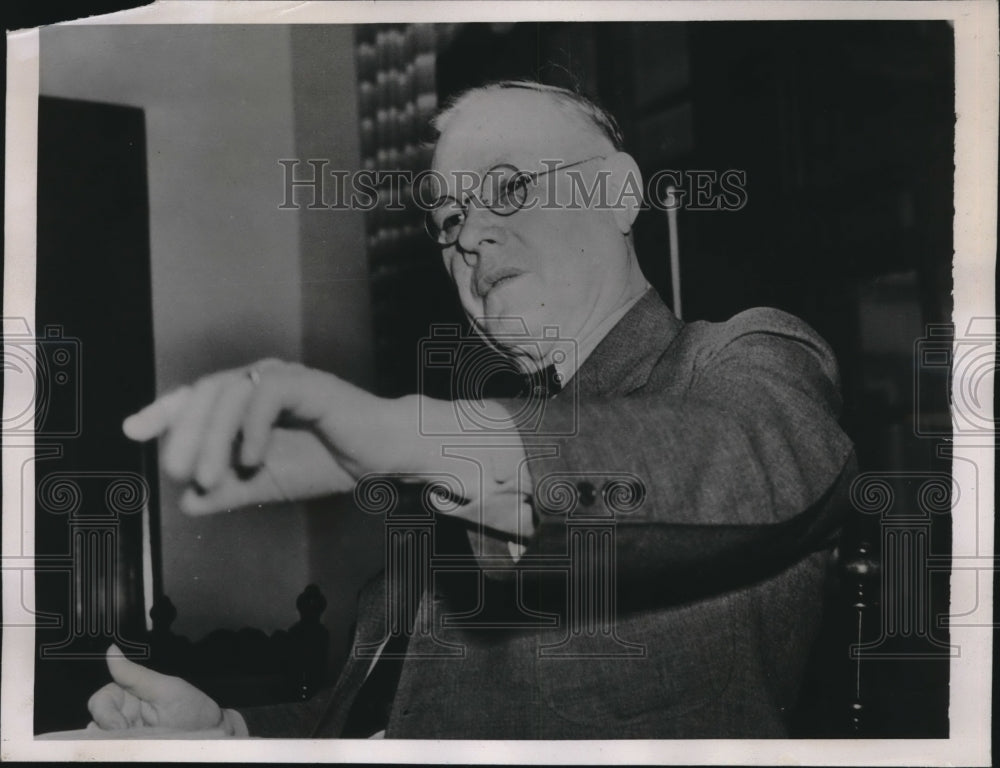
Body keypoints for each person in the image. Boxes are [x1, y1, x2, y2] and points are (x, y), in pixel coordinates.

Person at [86, 80, 856, 739]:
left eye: (510, 189)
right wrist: (228, 734)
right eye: (449, 221)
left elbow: (741, 458)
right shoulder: (473, 449)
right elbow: (394, 718)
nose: (474, 237)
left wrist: (412, 431)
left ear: (621, 194)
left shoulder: (741, 359)